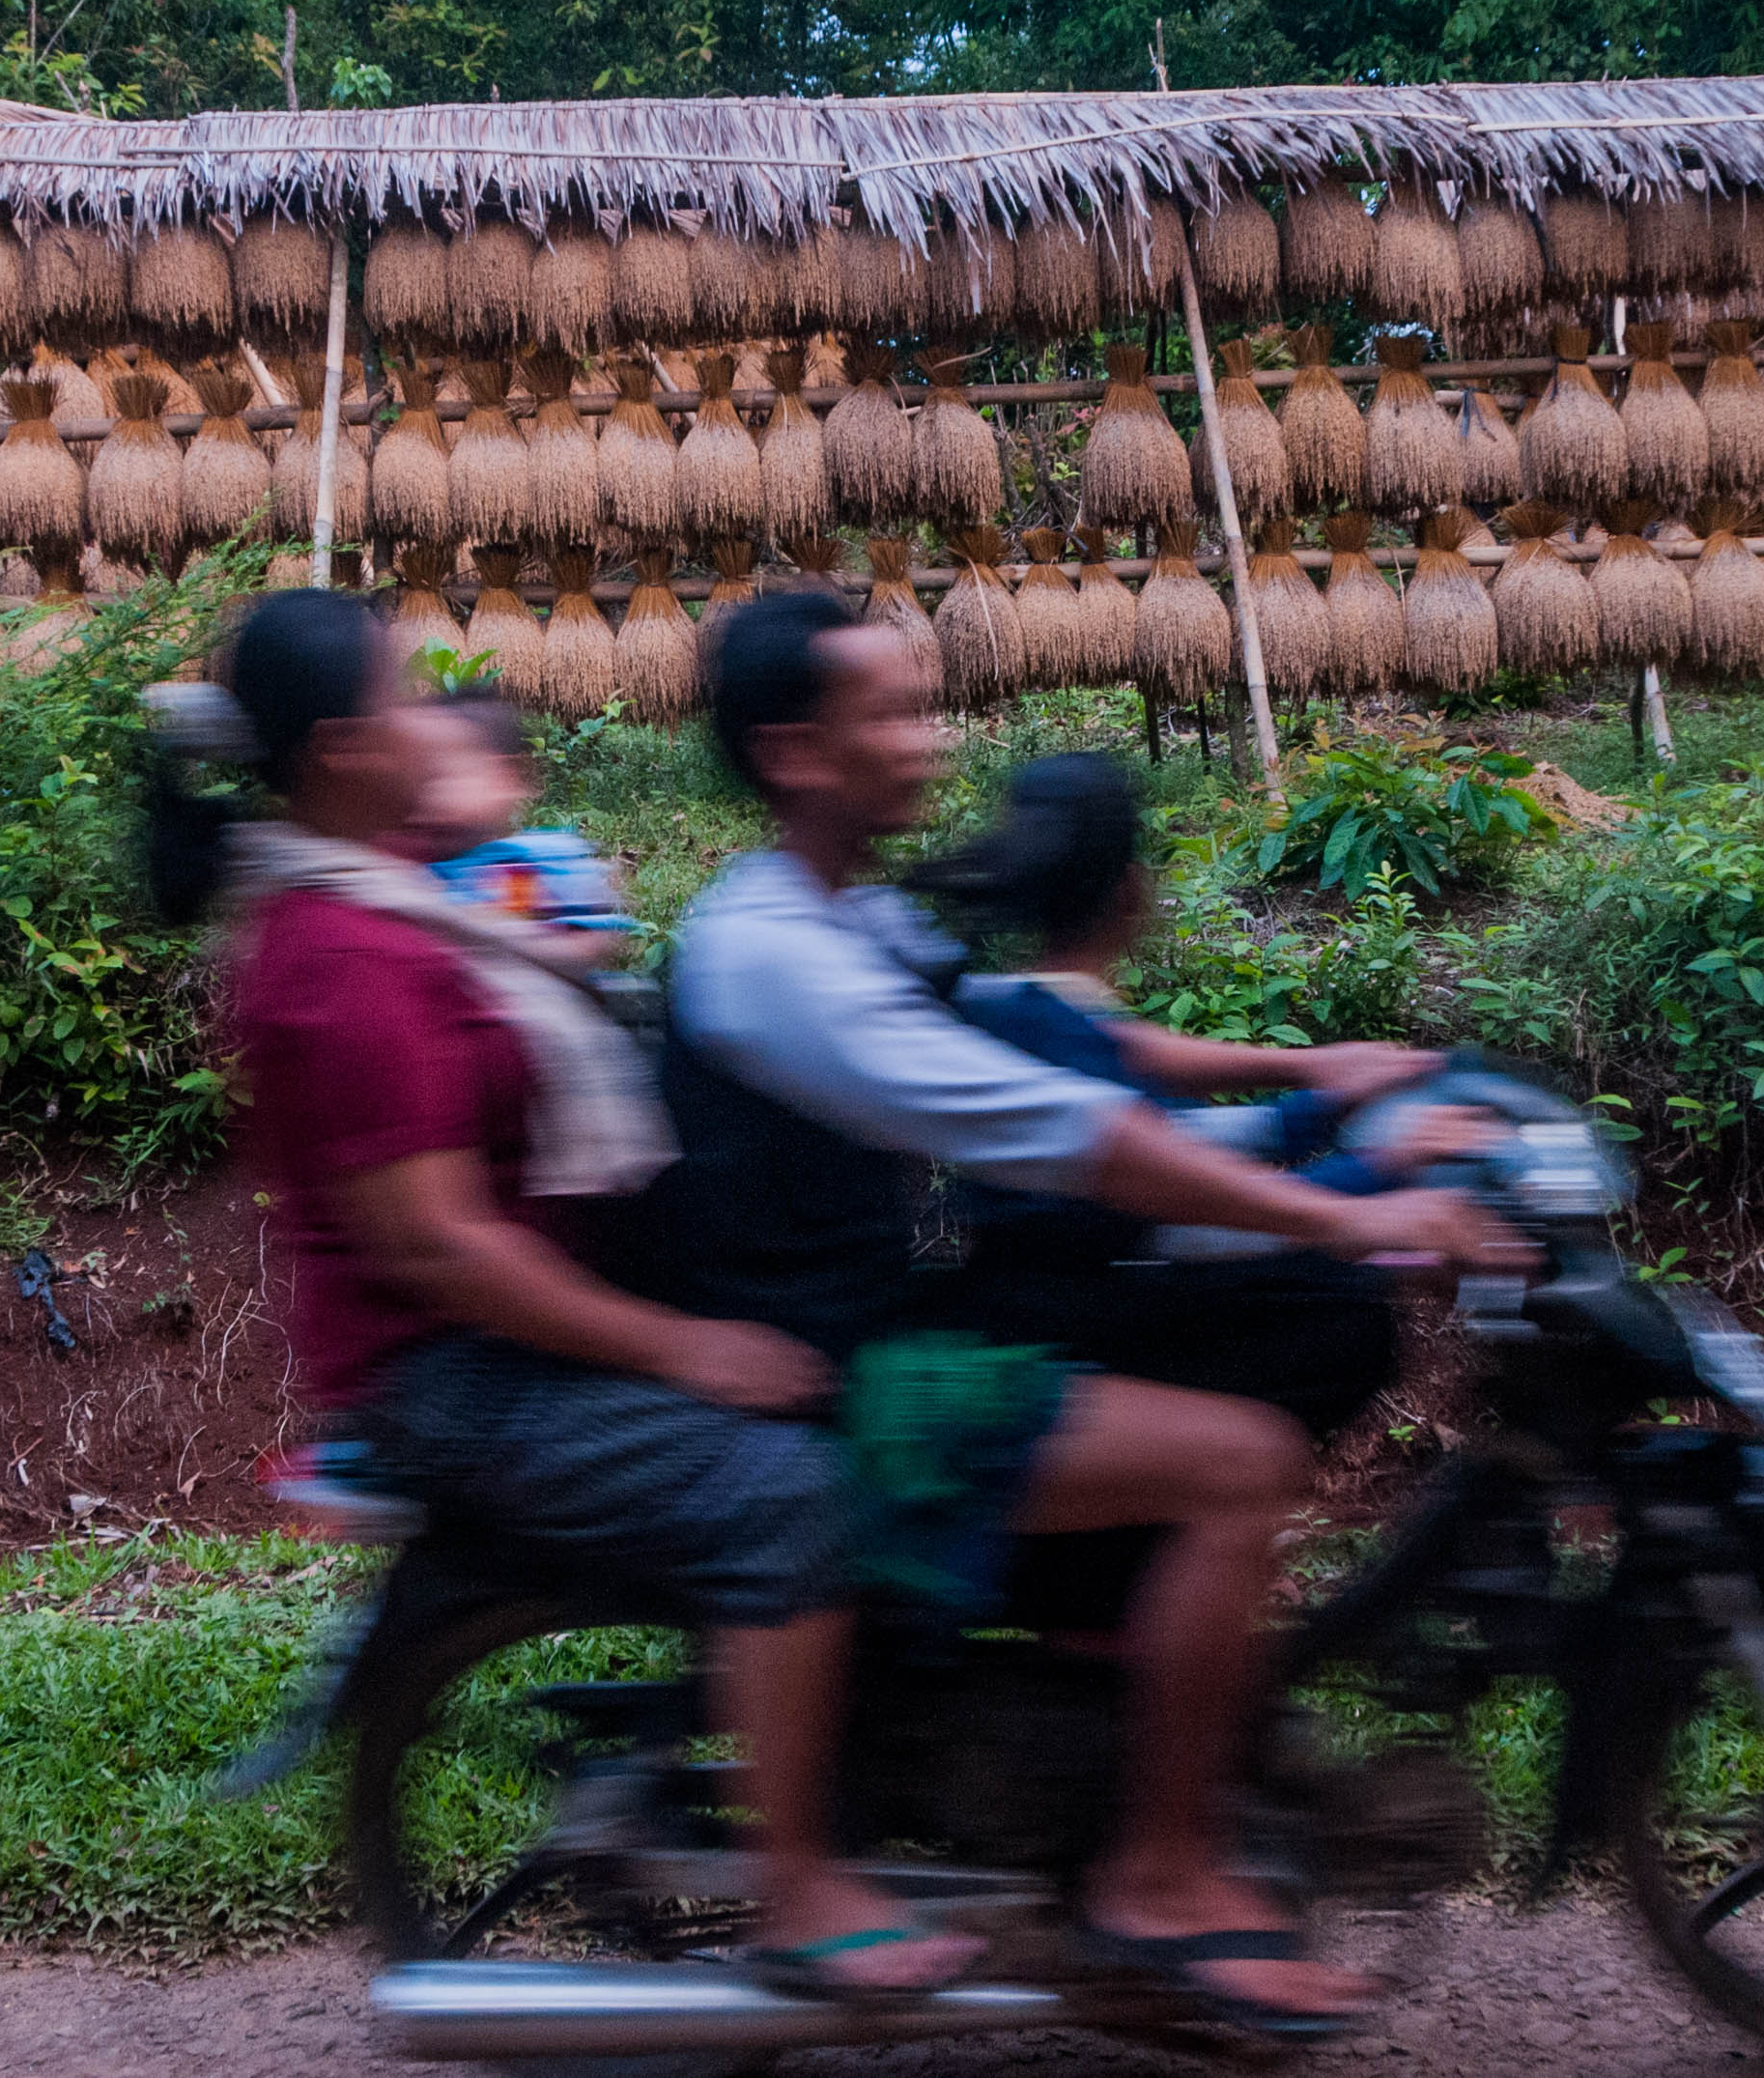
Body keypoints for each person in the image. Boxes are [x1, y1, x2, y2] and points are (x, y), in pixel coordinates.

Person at [598, 589, 1526, 2035]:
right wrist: (1348, 1204)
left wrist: (1311, 1067)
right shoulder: (770, 953)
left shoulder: (853, 913)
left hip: (905, 1320)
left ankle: (1117, 1769)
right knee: (1237, 1462)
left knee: (1287, 1326)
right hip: (862, 1375)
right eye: (890, 716)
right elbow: (1063, 1126)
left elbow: (1076, 1042)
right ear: (792, 752)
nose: (926, 742)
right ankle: (1152, 1877)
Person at [152, 590, 978, 1998]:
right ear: (345, 745)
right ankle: (797, 1893)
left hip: (521, 1326)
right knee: (785, 1489)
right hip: (459, 1373)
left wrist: (470, 773)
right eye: (412, 697)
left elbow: (491, 815)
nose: (446, 715)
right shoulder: (336, 962)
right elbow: (439, 1248)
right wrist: (684, 1348)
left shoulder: (377, 871)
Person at [908, 749, 1506, 1443]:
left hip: (1035, 1304)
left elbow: (1171, 1142)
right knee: (1341, 1315)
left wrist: (1315, 1103)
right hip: (1062, 1331)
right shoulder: (1060, 1029)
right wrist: (1378, 1169)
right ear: (1132, 889)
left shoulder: (1013, 1003)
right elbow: (1189, 1217)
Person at [388, 683, 635, 971]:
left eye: (442, 777)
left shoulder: (550, 859)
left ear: (508, 777)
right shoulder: (422, 871)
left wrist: (497, 939)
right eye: (418, 781)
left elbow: (595, 943)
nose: (429, 795)